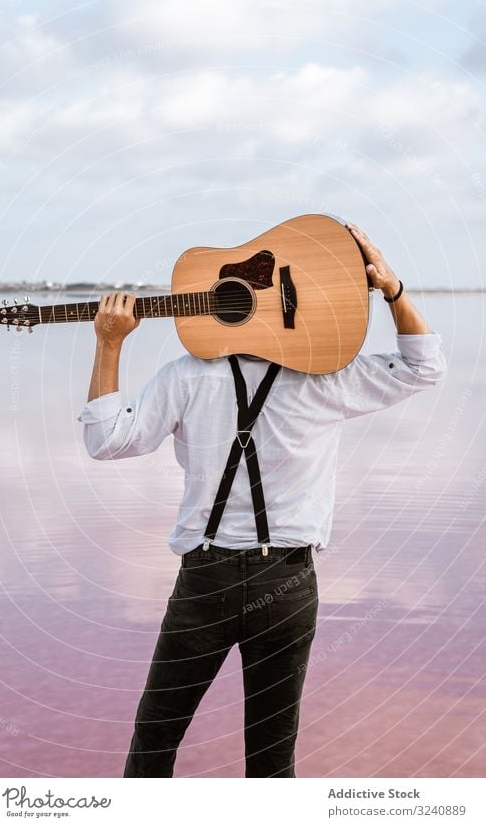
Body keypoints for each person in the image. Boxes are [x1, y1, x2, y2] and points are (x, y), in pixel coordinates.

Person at [77, 222, 447, 778]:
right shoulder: (331, 378)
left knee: (153, 746)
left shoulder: (185, 376)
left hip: (206, 578)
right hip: (290, 584)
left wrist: (108, 343)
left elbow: (106, 442)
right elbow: (426, 367)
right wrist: (391, 289)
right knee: (273, 762)